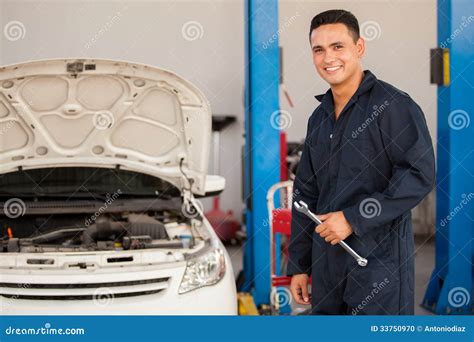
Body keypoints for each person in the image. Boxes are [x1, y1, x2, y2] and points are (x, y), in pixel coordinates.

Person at [287, 9, 435, 315]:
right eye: (319, 50)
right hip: (327, 266)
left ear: (359, 48)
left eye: (337, 46)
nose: (328, 58)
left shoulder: (394, 107)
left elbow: (419, 175)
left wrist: (353, 219)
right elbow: (305, 194)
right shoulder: (319, 118)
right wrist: (299, 265)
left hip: (378, 267)